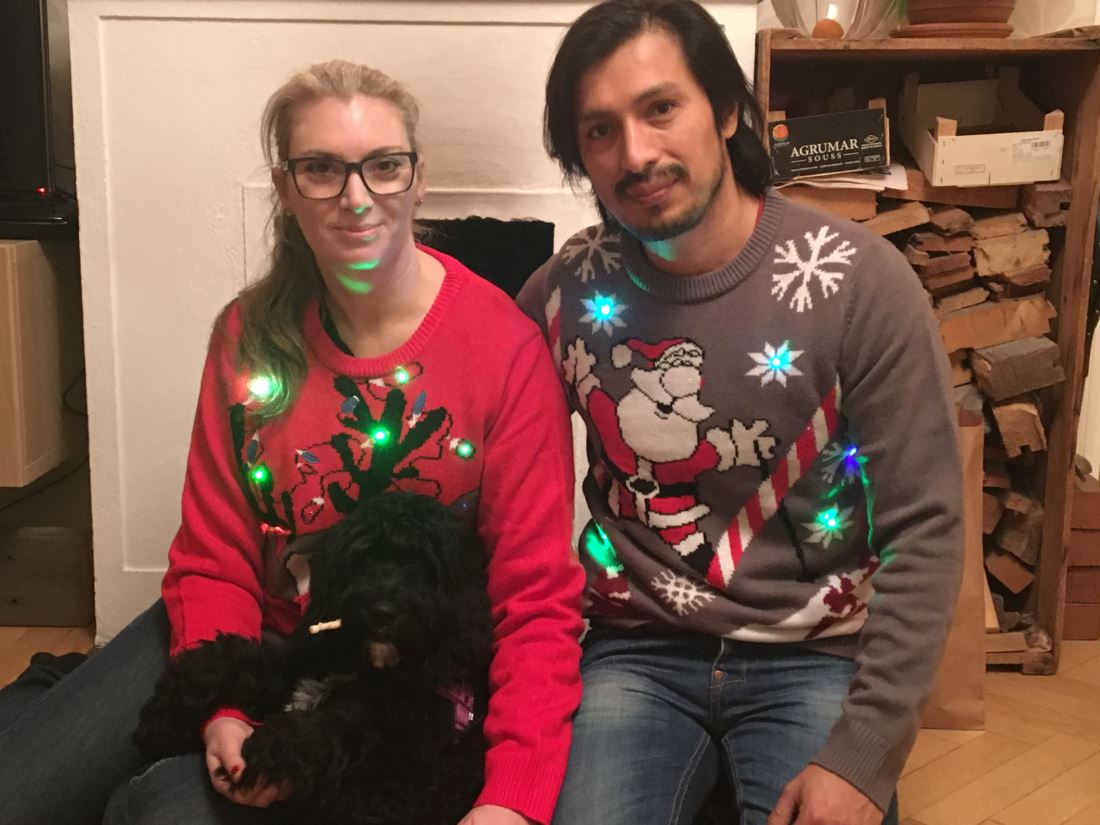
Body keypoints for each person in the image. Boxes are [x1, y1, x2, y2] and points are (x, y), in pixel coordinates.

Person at [0, 59, 584, 825]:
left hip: (391, 682)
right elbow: (215, 558)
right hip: (257, 642)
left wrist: (513, 799)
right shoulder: (247, 336)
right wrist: (225, 710)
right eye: (322, 169)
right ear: (285, 187)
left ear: (418, 179)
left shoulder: (504, 350)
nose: (356, 197)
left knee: (158, 808)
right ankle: (60, 686)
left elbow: (534, 601)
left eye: (383, 166)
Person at [516, 3, 964, 824]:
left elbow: (927, 527)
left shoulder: (861, 284)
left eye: (660, 108)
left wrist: (864, 755)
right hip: (632, 649)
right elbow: (508, 496)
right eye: (600, 130)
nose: (636, 154)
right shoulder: (561, 294)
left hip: (816, 652)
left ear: (725, 109)